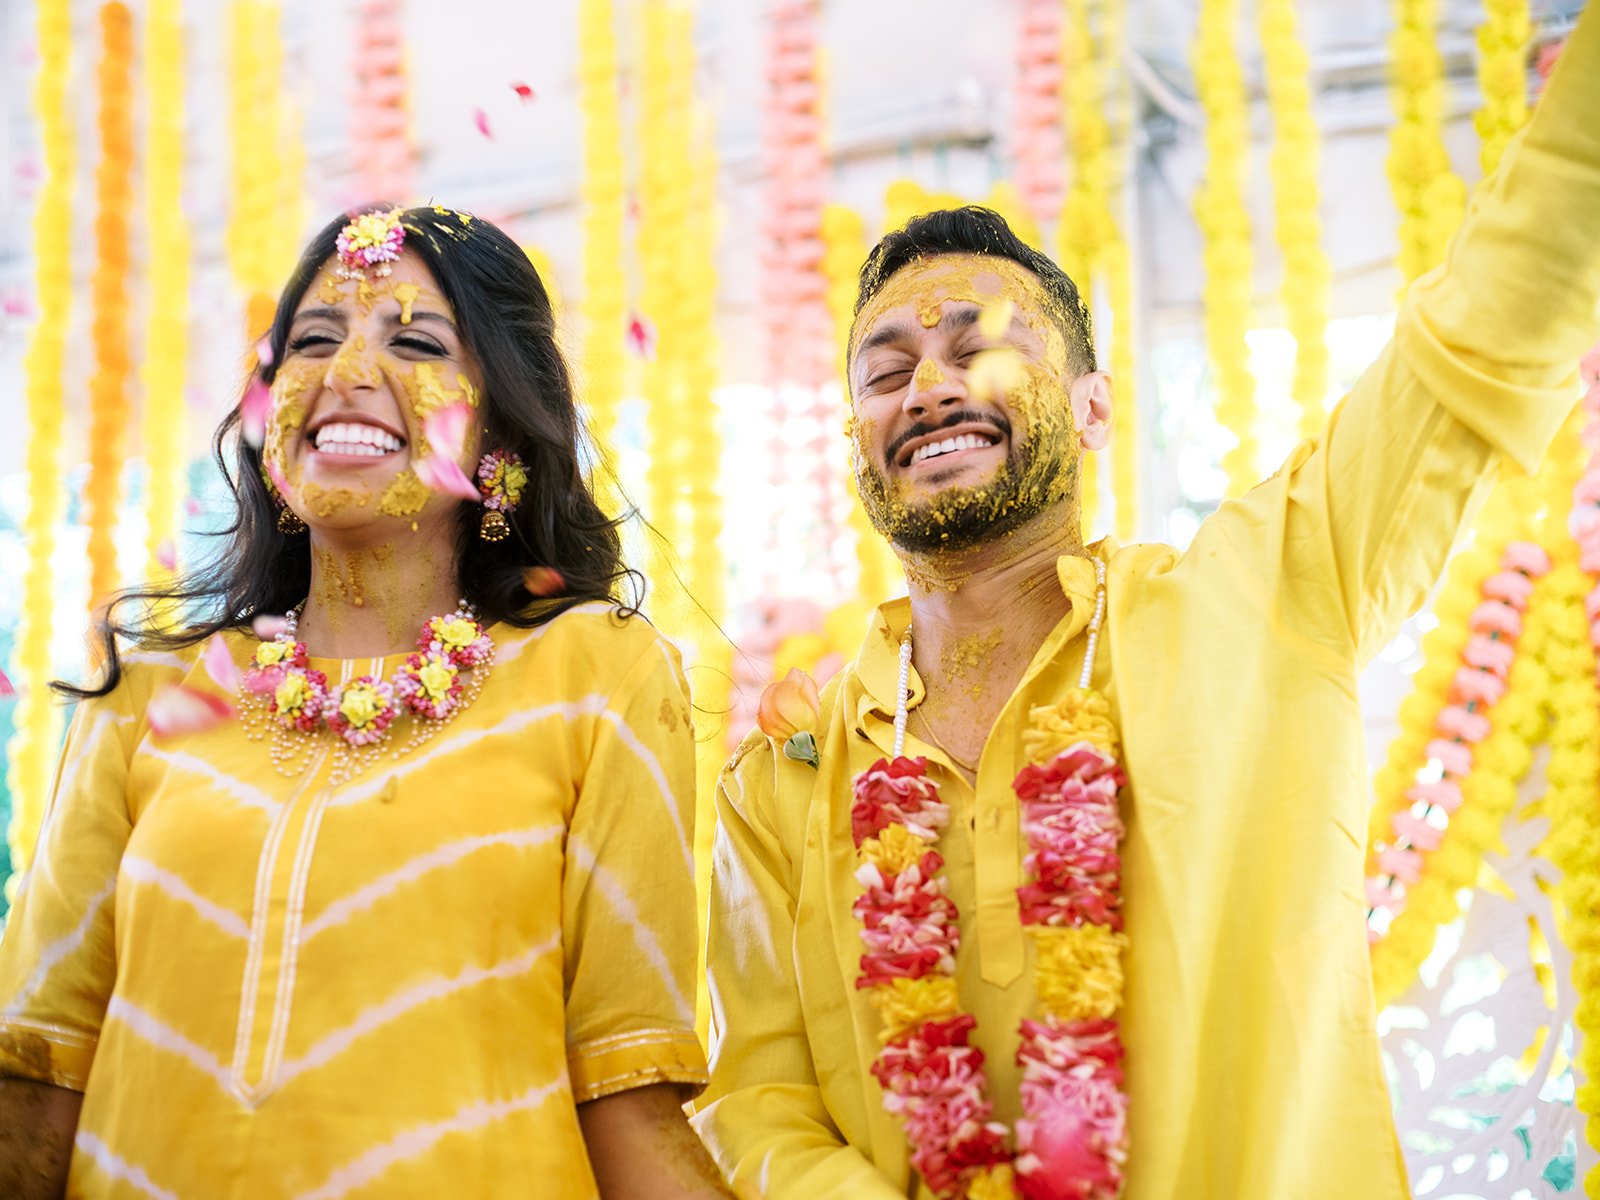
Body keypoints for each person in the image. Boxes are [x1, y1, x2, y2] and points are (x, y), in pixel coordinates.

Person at [690, 8, 1600, 1199]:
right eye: (884, 370)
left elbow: (1492, 312)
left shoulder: (1271, 593)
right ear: (857, 451)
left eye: (980, 343)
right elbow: (758, 1099)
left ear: (1096, 408)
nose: (930, 384)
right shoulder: (790, 776)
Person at [0, 205, 730, 1200]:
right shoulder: (154, 694)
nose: (346, 370)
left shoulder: (594, 673)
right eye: (310, 340)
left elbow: (624, 1080)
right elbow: (39, 1069)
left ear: (500, 434)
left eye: (417, 341)